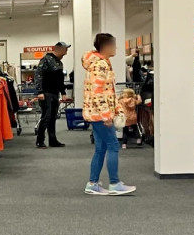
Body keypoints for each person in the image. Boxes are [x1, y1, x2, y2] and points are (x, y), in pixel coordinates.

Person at [82, 33, 136, 196]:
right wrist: (106, 115)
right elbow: (97, 93)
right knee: (112, 145)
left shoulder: (101, 63)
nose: (116, 48)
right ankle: (114, 183)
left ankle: (93, 183)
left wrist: (117, 109)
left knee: (101, 148)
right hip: (99, 115)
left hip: (96, 113)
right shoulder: (100, 65)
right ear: (106, 46)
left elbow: (107, 92)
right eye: (114, 45)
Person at [33, 41, 69, 149]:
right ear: (59, 49)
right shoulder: (46, 59)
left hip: (55, 93)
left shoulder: (59, 63)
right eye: (65, 49)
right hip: (46, 93)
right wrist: (40, 92)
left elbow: (60, 80)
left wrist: (63, 92)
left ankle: (53, 140)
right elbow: (38, 75)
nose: (66, 52)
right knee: (46, 117)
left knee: (53, 117)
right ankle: (40, 140)